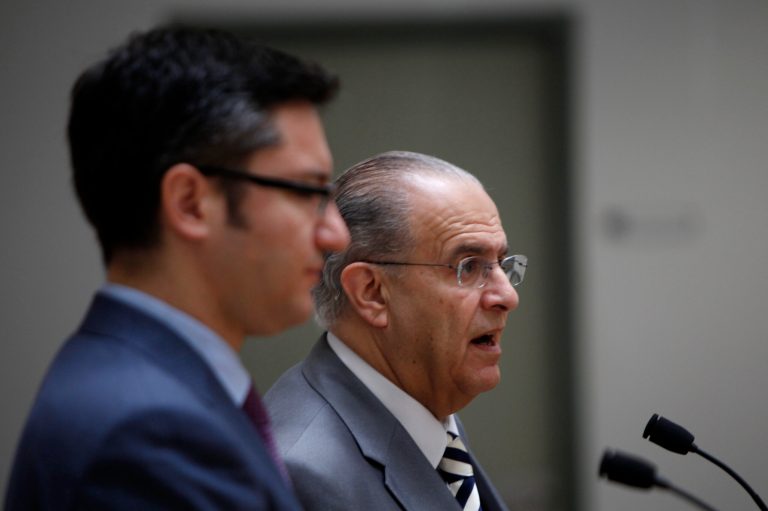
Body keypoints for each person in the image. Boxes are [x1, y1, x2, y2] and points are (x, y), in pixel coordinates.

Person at [5, 25, 349, 510]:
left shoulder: (137, 381)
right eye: (305, 192)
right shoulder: (149, 430)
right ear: (190, 202)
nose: (336, 234)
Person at [265, 150, 527, 511]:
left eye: (501, 264)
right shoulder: (303, 476)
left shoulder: (421, 402)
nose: (507, 296)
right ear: (372, 293)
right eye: (469, 266)